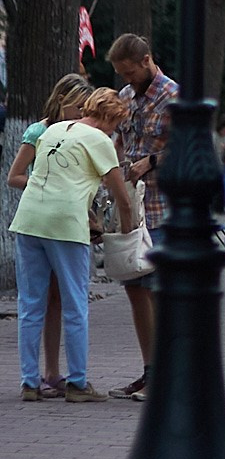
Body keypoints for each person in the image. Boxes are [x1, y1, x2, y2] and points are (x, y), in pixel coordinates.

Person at [12, 86, 135, 400]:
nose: (115, 130)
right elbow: (121, 195)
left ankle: (29, 382)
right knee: (75, 305)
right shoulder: (100, 140)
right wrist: (128, 228)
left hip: (28, 220)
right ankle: (78, 383)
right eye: (116, 123)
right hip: (65, 225)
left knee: (30, 305)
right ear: (109, 118)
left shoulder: (53, 130)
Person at [7, 73, 91, 395]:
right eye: (78, 106)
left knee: (53, 301)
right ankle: (35, 379)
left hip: (45, 224)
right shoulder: (39, 131)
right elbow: (14, 176)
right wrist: (45, 187)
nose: (82, 112)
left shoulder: (82, 131)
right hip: (51, 224)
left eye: (86, 107)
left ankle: (50, 373)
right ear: (60, 101)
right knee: (38, 303)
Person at [108, 32, 177, 401]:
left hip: (162, 209)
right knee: (135, 289)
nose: (127, 80)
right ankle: (149, 371)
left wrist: (149, 162)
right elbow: (117, 139)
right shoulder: (125, 97)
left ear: (148, 60)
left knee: (157, 291)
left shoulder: (173, 97)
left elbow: (189, 148)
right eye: (121, 74)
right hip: (131, 210)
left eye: (131, 72)